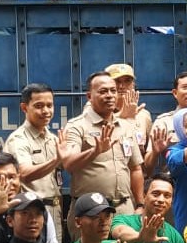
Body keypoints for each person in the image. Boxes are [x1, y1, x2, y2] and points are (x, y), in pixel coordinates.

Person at [60, 71, 145, 216]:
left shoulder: (125, 127)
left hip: (124, 209)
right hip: (90, 211)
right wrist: (95, 151)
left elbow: (135, 168)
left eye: (113, 91)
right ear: (89, 96)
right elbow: (69, 164)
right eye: (103, 91)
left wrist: (140, 204)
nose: (110, 95)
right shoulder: (76, 126)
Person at [2, 83, 64, 238]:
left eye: (49, 105)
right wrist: (56, 160)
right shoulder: (19, 139)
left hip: (54, 211)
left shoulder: (52, 138)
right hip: (31, 215)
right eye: (39, 106)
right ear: (24, 108)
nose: (46, 111)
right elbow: (25, 173)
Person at [106, 63, 154, 154]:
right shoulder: (98, 111)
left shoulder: (143, 115)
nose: (121, 86)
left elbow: (148, 152)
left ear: (133, 85)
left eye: (127, 81)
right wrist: (120, 117)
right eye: (116, 81)